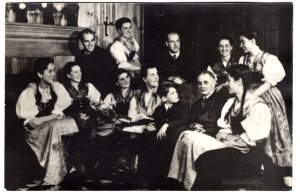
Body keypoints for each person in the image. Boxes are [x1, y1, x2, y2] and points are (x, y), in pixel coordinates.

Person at [191, 65, 272, 190]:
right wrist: (229, 137)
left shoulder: (258, 107)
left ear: (239, 81)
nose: (226, 84)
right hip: (234, 152)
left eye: (228, 80)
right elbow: (221, 132)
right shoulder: (231, 103)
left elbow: (244, 144)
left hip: (250, 158)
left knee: (206, 162)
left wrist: (227, 137)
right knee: (202, 159)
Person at [238, 28, 292, 188]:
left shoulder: (269, 59)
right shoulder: (243, 59)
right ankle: (256, 167)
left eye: (243, 42)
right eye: (240, 42)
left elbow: (268, 83)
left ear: (253, 41)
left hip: (267, 95)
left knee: (274, 131)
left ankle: (280, 172)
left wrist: (252, 96)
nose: (241, 45)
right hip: (249, 95)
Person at [16, 58, 79, 188]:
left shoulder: (56, 87)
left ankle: (71, 167)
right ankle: (54, 175)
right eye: (49, 71)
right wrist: (52, 117)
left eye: (54, 70)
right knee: (54, 126)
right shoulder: (30, 92)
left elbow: (60, 109)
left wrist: (53, 116)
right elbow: (33, 122)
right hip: (35, 131)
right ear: (40, 74)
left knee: (69, 123)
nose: (53, 74)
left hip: (50, 123)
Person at [167, 71, 229, 190]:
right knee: (185, 138)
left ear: (214, 83)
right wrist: (194, 125)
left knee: (188, 138)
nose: (202, 86)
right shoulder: (196, 103)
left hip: (214, 137)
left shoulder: (221, 101)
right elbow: (190, 120)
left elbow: (223, 125)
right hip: (197, 136)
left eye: (206, 83)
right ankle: (179, 180)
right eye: (199, 83)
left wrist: (205, 131)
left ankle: (189, 182)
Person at [145, 82, 189, 189]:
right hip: (163, 138)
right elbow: (156, 121)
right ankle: (153, 181)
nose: (176, 94)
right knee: (150, 142)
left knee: (166, 152)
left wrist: (167, 124)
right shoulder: (159, 109)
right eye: (173, 93)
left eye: (176, 92)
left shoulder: (182, 105)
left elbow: (184, 119)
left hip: (176, 136)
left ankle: (171, 183)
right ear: (164, 98)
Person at [63, 61, 101, 133]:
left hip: (89, 116)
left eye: (80, 71)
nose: (79, 74)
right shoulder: (63, 89)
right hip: (73, 117)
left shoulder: (88, 86)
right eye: (75, 72)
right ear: (68, 75)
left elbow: (97, 101)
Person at [76, 28, 116, 95]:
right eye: (86, 41)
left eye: (92, 40)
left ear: (95, 40)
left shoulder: (104, 54)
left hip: (103, 93)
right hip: (86, 93)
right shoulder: (79, 55)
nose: (90, 44)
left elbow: (112, 78)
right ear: (82, 42)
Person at [126, 65, 162, 132]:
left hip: (158, 130)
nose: (157, 77)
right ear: (145, 79)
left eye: (157, 74)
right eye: (152, 75)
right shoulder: (137, 96)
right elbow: (131, 117)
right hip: (139, 128)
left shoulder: (163, 95)